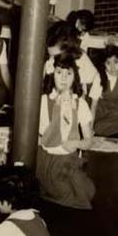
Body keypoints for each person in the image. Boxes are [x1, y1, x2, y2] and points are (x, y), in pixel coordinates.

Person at [37, 53, 95, 209]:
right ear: (52, 74)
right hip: (47, 160)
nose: (63, 78)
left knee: (88, 191)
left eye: (68, 74)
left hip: (69, 160)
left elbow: (89, 141)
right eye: (59, 73)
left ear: (74, 77)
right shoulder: (42, 101)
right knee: (66, 194)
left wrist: (76, 143)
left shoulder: (80, 103)